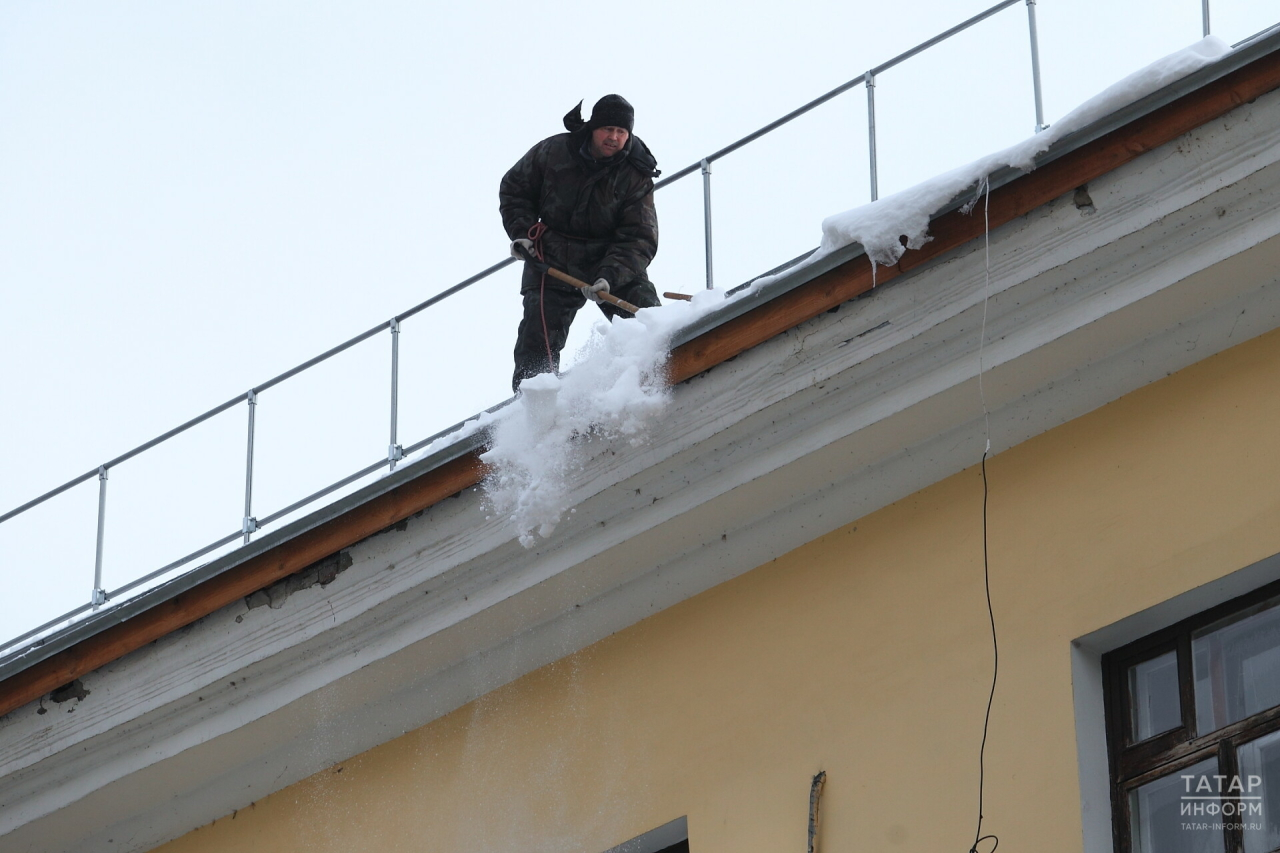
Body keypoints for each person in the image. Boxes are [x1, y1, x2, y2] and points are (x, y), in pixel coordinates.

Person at [499, 94, 661, 393]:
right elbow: (515, 189)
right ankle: (533, 404)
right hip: (550, 257)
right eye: (607, 129)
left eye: (621, 131)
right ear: (592, 128)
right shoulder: (553, 151)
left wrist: (609, 277)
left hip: (612, 259)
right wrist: (522, 233)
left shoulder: (636, 174)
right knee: (537, 341)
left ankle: (658, 384)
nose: (614, 137)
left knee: (650, 324)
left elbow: (640, 237)